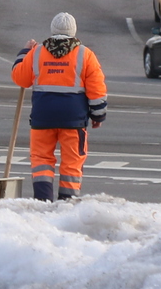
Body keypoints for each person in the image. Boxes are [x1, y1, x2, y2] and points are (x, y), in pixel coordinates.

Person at [11, 12, 107, 202]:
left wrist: (23, 53)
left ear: (52, 30)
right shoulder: (85, 54)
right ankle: (67, 203)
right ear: (73, 32)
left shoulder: (37, 52)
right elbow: (97, 89)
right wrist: (98, 116)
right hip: (73, 119)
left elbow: (19, 78)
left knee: (41, 159)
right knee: (72, 163)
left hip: (42, 116)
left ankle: (43, 202)